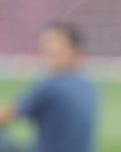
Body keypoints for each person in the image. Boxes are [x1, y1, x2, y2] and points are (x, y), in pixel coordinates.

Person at [0, 23, 99, 152]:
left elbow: (5, 116)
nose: (48, 48)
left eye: (54, 44)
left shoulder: (51, 86)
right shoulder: (88, 86)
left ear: (74, 49)